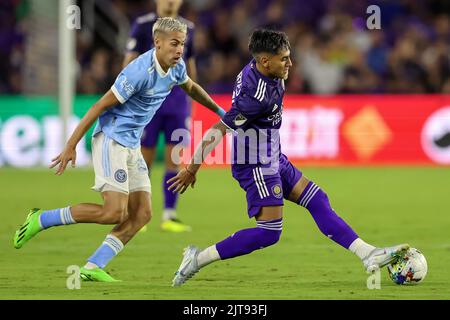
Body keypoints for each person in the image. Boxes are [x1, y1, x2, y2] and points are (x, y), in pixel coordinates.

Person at [167, 29, 409, 287]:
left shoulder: (265, 69)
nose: (290, 64)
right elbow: (218, 130)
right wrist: (192, 168)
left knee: (317, 199)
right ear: (265, 61)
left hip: (272, 155)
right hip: (255, 165)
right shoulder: (255, 96)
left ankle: (368, 253)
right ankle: (196, 259)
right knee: (269, 233)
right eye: (284, 59)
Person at [12, 17, 225, 282]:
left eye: (182, 44)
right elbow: (99, 106)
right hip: (111, 138)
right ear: (157, 43)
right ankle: (41, 219)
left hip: (131, 143)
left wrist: (219, 111)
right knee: (113, 212)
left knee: (143, 214)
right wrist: (71, 145)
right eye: (174, 44)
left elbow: (191, 88)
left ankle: (93, 266)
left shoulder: (177, 67)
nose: (180, 49)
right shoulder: (138, 72)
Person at [123, 0, 196, 233]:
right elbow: (129, 61)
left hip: (176, 105)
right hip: (148, 103)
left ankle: (169, 215)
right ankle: (136, 215)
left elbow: (190, 65)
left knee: (174, 159)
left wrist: (191, 100)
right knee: (144, 159)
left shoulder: (188, 28)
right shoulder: (143, 25)